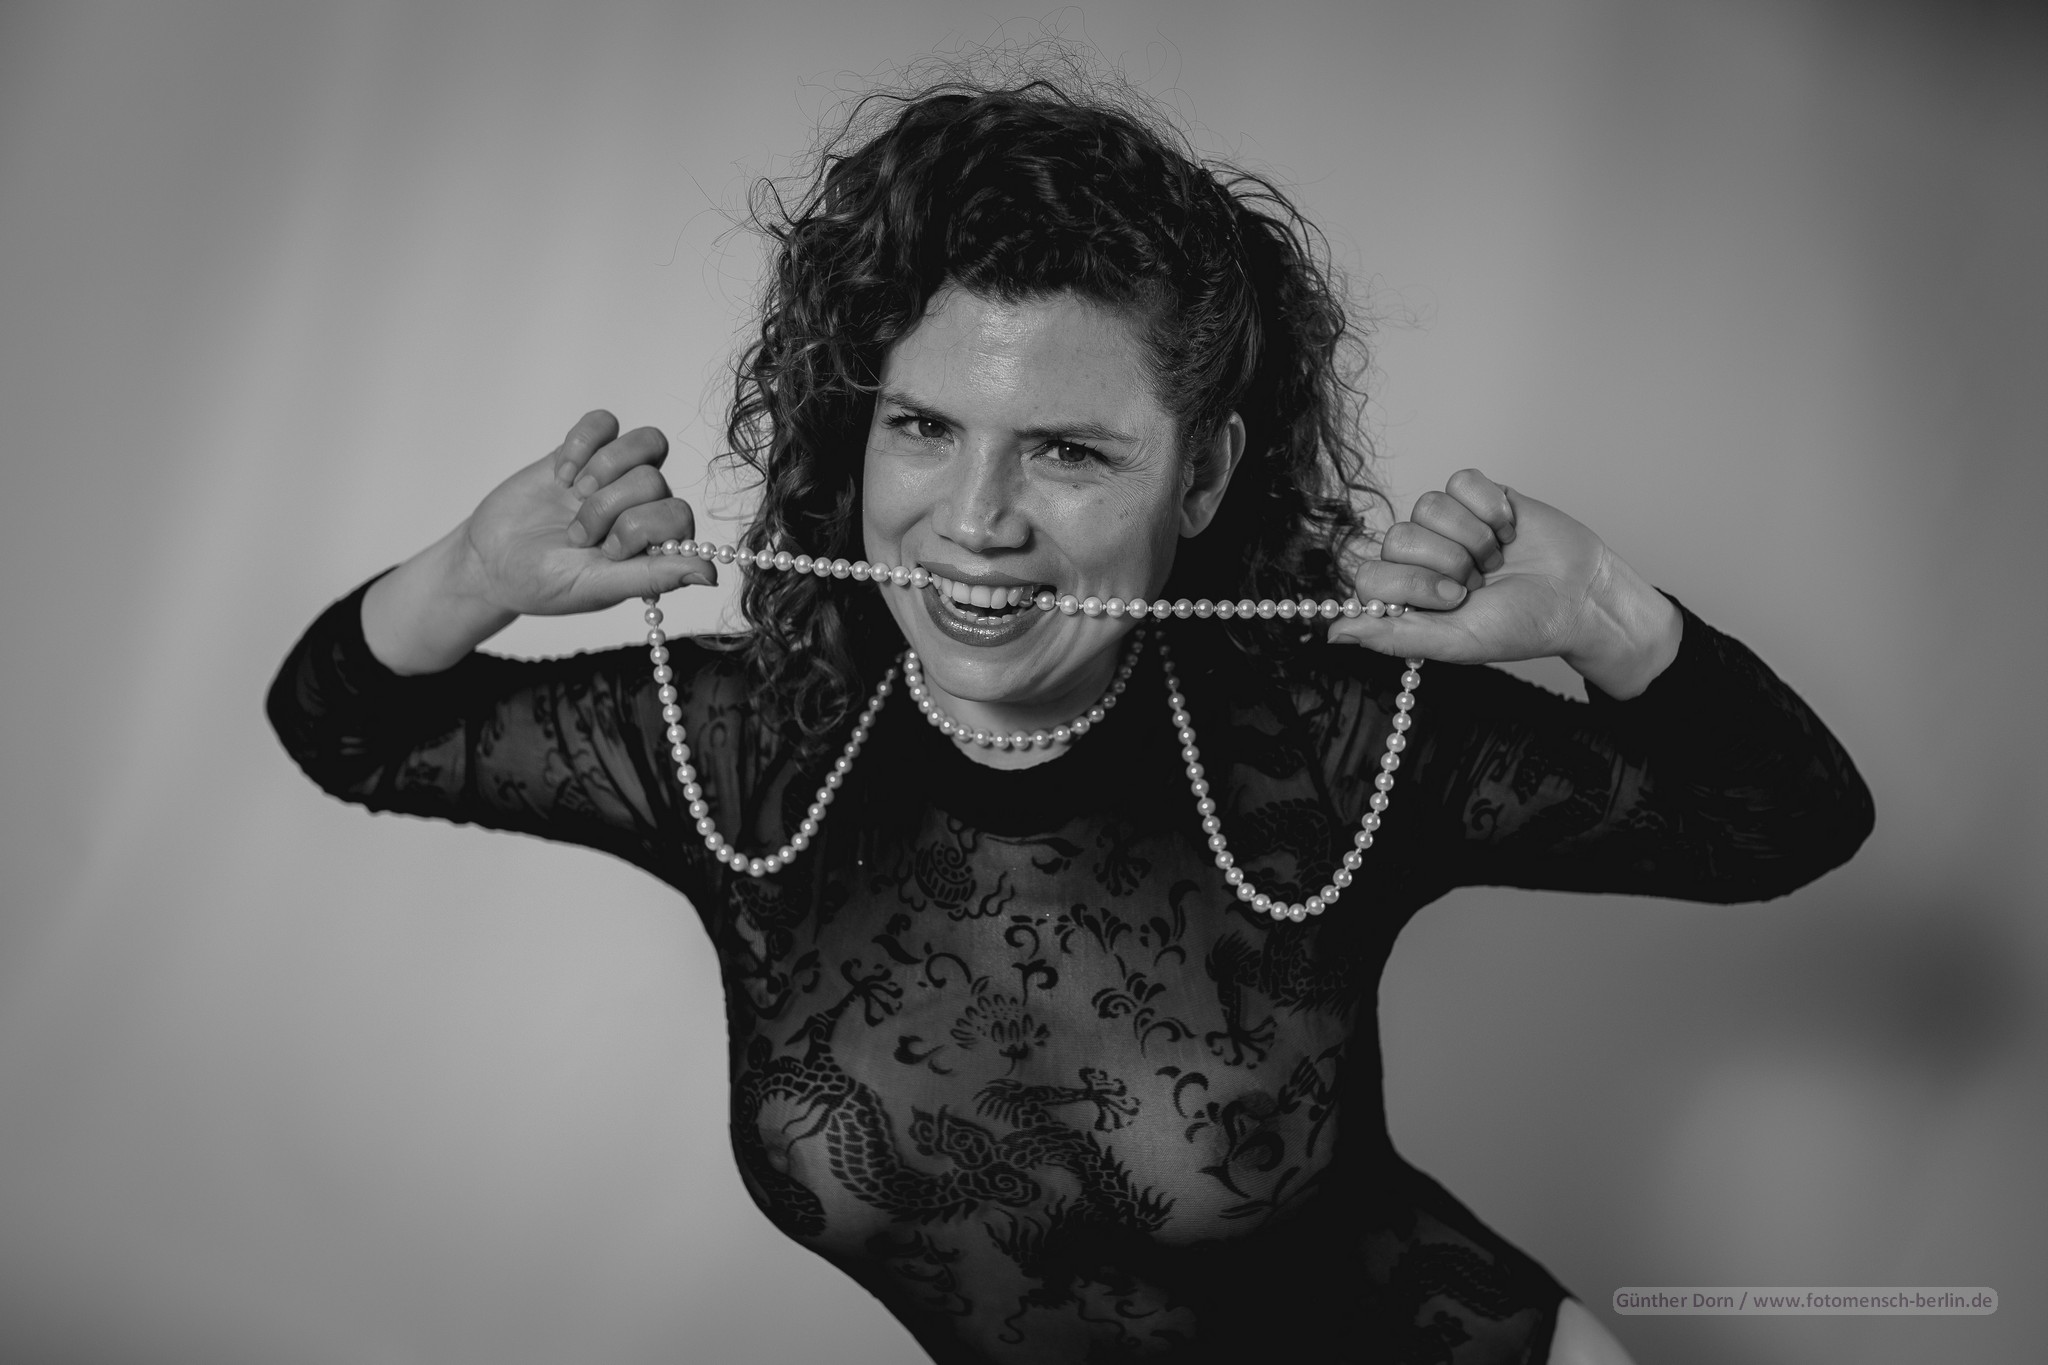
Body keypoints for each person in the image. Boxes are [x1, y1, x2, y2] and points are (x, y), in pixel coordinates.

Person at [268, 75, 1872, 1365]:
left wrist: (1601, 611)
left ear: (1206, 476)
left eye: (1068, 450)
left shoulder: (1332, 742)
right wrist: (473, 573)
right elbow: (347, 729)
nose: (975, 523)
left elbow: (1785, 820)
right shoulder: (743, 750)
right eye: (924, 427)